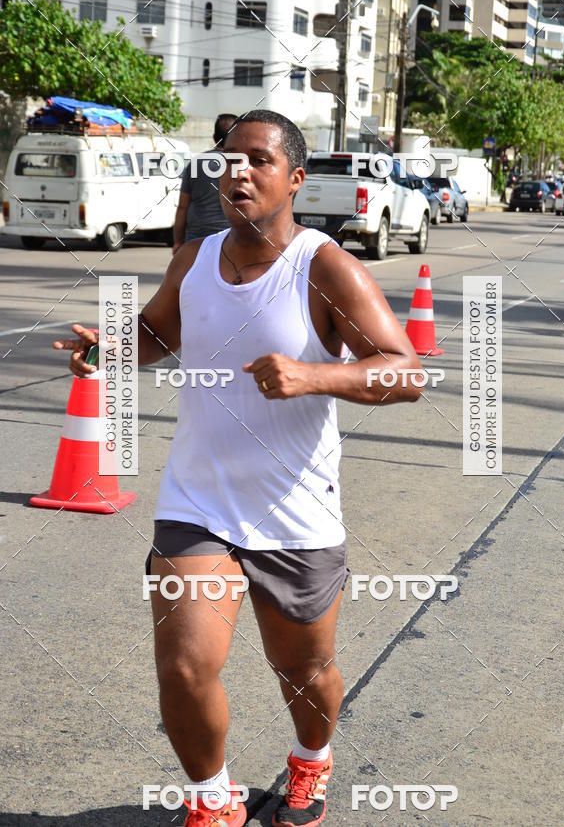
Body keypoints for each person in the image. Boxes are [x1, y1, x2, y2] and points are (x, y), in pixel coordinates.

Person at [55, 110, 423, 827]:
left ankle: (310, 760)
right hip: (198, 503)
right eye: (228, 160)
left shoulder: (325, 266)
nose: (239, 173)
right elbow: (160, 333)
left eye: (257, 160)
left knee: (304, 673)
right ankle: (213, 801)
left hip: (295, 512)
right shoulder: (193, 258)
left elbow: (405, 373)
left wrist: (313, 378)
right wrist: (109, 349)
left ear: (294, 178)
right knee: (186, 667)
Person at [172, 112, 237, 254]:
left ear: (214, 138)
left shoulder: (196, 163)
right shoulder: (242, 165)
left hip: (196, 239)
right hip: (232, 239)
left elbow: (183, 207)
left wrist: (178, 241)